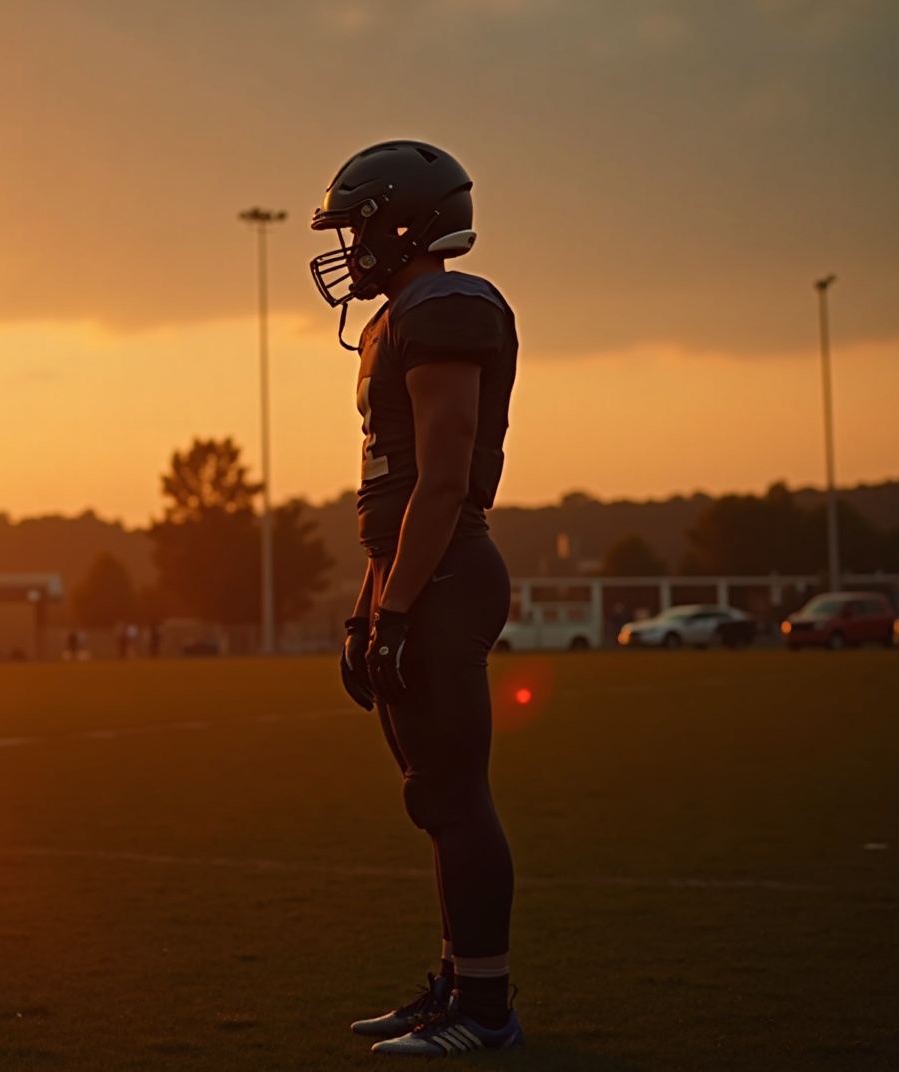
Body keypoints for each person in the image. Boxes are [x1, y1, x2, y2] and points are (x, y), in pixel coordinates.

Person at [313, 140, 524, 1055]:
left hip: (443, 573)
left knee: (456, 793)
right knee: (433, 798)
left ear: (402, 224)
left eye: (357, 226)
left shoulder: (446, 307)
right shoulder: (399, 318)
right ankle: (457, 985)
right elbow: (392, 502)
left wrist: (397, 610)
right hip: (411, 573)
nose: (348, 247)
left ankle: (484, 1009)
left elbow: (440, 482)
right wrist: (368, 608)